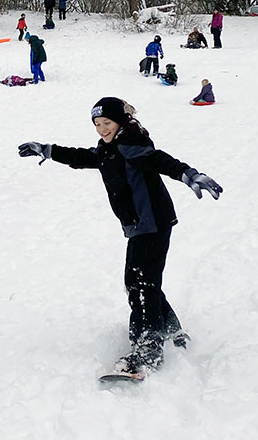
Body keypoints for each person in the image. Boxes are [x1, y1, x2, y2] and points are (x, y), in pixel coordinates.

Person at [17, 97, 222, 376]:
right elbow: (82, 157)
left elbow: (161, 160)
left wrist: (189, 174)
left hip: (152, 223)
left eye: (107, 123)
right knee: (141, 282)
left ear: (120, 122)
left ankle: (147, 351)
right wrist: (48, 150)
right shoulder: (109, 149)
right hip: (141, 225)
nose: (102, 129)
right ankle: (172, 331)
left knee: (141, 285)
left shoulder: (132, 146)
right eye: (97, 124)